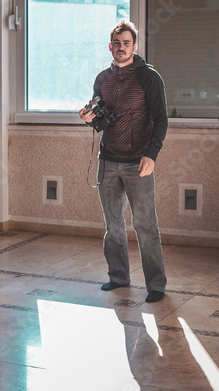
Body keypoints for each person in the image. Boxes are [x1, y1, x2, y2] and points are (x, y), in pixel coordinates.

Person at [79, 20, 167, 303]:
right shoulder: (102, 79)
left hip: (138, 162)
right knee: (113, 226)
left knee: (145, 225)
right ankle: (118, 277)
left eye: (126, 43)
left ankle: (156, 285)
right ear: (110, 46)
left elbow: (161, 119)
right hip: (108, 160)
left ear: (135, 46)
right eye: (116, 43)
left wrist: (151, 154)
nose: (121, 48)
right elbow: (103, 121)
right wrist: (90, 118)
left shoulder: (149, 77)